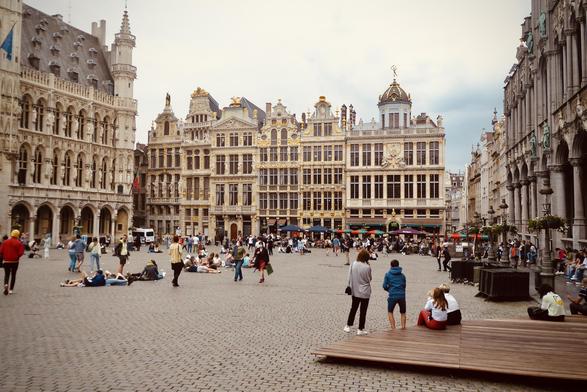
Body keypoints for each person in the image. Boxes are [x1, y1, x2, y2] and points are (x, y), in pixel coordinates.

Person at [344, 249, 373, 335]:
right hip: (365, 291)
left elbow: (349, 276)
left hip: (355, 290)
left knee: (353, 308)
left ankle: (348, 325)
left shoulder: (353, 264)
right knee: (363, 311)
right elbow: (369, 279)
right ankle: (360, 329)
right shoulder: (367, 267)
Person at [383, 259, 406, 330]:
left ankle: (393, 328)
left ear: (391, 265)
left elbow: (384, 286)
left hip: (392, 295)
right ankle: (403, 327)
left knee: (390, 312)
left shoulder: (387, 274)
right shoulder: (402, 275)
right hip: (402, 296)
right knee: (403, 312)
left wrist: (389, 290)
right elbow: (404, 285)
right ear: (398, 265)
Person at [0, 230, 25, 295]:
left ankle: (6, 284)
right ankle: (11, 290)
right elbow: (21, 252)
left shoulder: (5, 242)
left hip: (6, 261)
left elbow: (1, 251)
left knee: (7, 274)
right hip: (15, 261)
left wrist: (4, 257)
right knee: (13, 275)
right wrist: (17, 256)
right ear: (18, 235)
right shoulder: (19, 243)